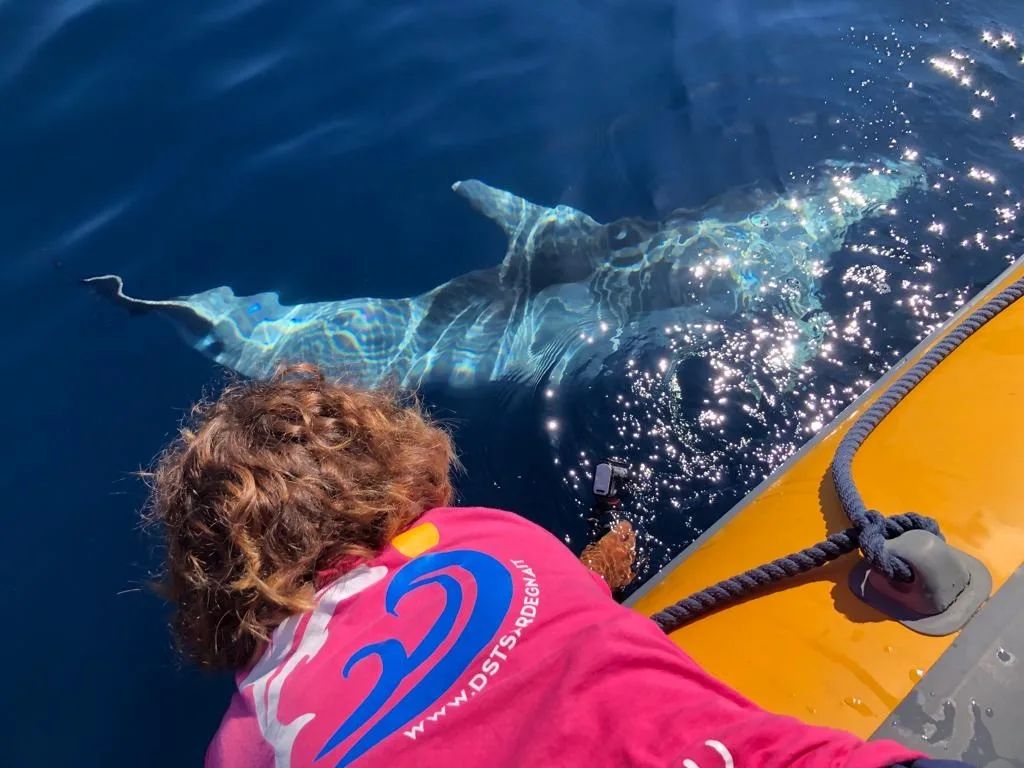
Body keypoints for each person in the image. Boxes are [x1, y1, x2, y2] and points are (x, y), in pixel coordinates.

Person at [147, 363, 964, 768]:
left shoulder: (243, 740)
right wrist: (599, 567)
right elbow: (535, 606)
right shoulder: (484, 536)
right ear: (399, 464)